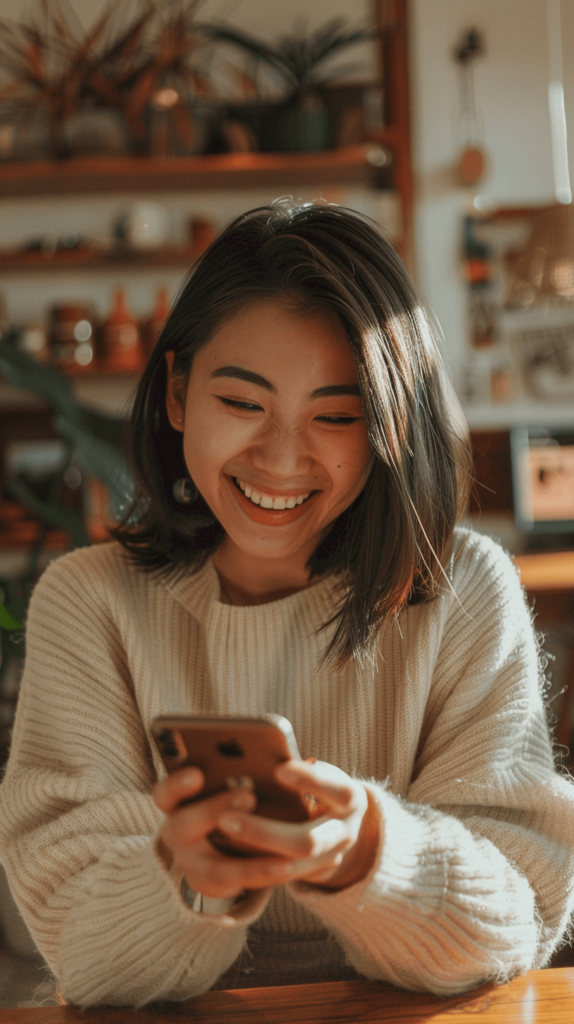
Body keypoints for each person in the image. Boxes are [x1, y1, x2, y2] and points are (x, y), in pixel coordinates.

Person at [1, 202, 574, 1008]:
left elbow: (517, 914)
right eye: (241, 404)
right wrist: (186, 878)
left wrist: (366, 853)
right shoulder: (91, 604)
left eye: (336, 417)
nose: (280, 459)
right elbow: (80, 948)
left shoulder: (464, 592)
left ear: (388, 428)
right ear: (176, 392)